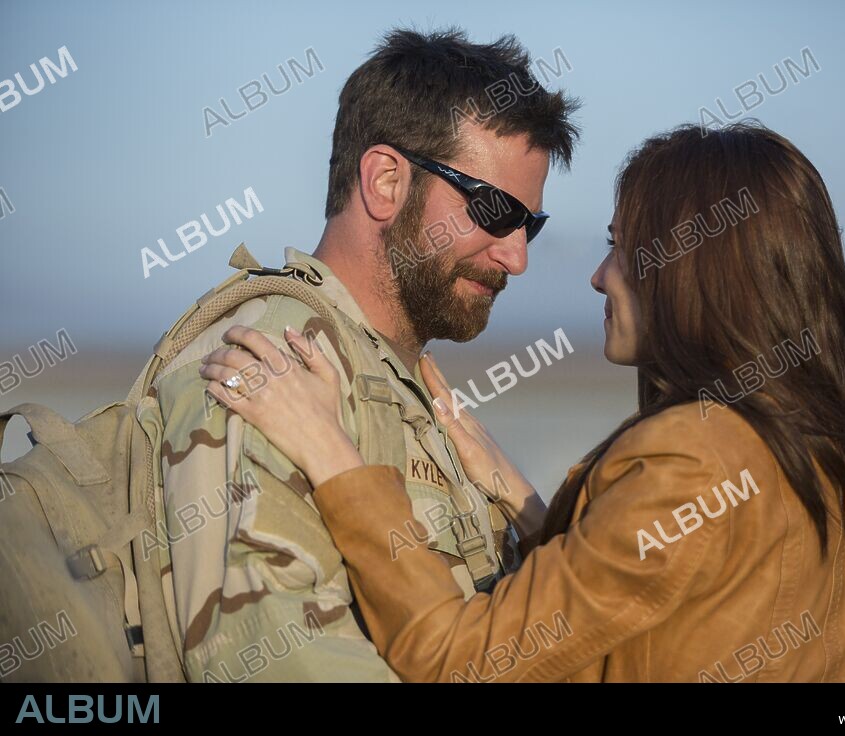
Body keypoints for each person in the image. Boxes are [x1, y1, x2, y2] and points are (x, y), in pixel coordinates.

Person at [201, 122, 845, 683]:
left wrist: (331, 453)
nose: (600, 277)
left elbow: (460, 660)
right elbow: (648, 619)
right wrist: (521, 497)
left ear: (698, 271)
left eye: (623, 249)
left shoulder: (698, 459)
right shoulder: (825, 463)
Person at [148, 27, 580, 682]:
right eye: (493, 210)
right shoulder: (270, 359)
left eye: (531, 225)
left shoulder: (414, 389)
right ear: (384, 180)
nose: (516, 256)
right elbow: (269, 659)